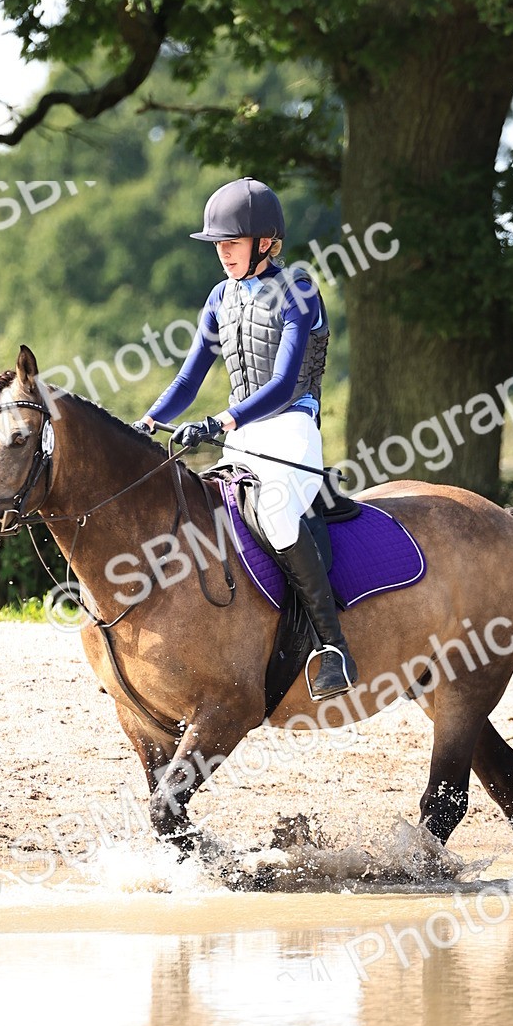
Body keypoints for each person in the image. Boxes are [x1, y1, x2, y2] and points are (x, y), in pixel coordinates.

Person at [133, 177, 358, 699]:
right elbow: (189, 380)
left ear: (266, 243)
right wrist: (147, 422)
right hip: (244, 434)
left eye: (232, 242)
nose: (223, 253)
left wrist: (220, 422)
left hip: (292, 427)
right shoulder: (220, 297)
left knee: (275, 512)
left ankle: (333, 646)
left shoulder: (297, 290)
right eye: (218, 244)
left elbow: (282, 383)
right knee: (201, 508)